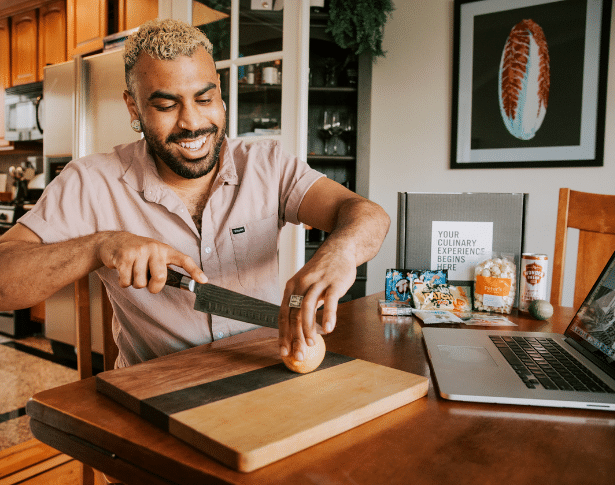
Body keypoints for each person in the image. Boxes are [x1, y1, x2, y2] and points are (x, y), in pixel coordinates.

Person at [0, 19, 389, 368]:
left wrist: (340, 253)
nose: (192, 122)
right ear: (133, 107)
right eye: (167, 105)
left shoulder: (266, 163)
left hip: (266, 376)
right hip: (158, 393)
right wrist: (99, 246)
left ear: (220, 94)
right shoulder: (90, 182)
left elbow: (366, 214)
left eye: (205, 99)